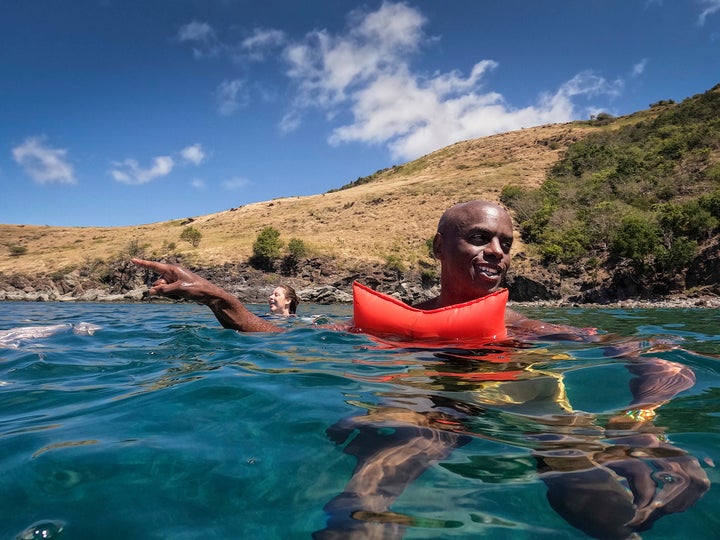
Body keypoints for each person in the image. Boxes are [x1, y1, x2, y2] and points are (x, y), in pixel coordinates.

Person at [132, 200, 579, 337]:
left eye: (506, 243)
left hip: (514, 398)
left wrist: (645, 394)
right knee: (372, 468)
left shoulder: (522, 327)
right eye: (480, 238)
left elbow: (626, 348)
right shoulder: (405, 319)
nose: (498, 251)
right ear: (439, 247)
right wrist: (217, 297)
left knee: (590, 486)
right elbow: (288, 336)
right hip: (426, 402)